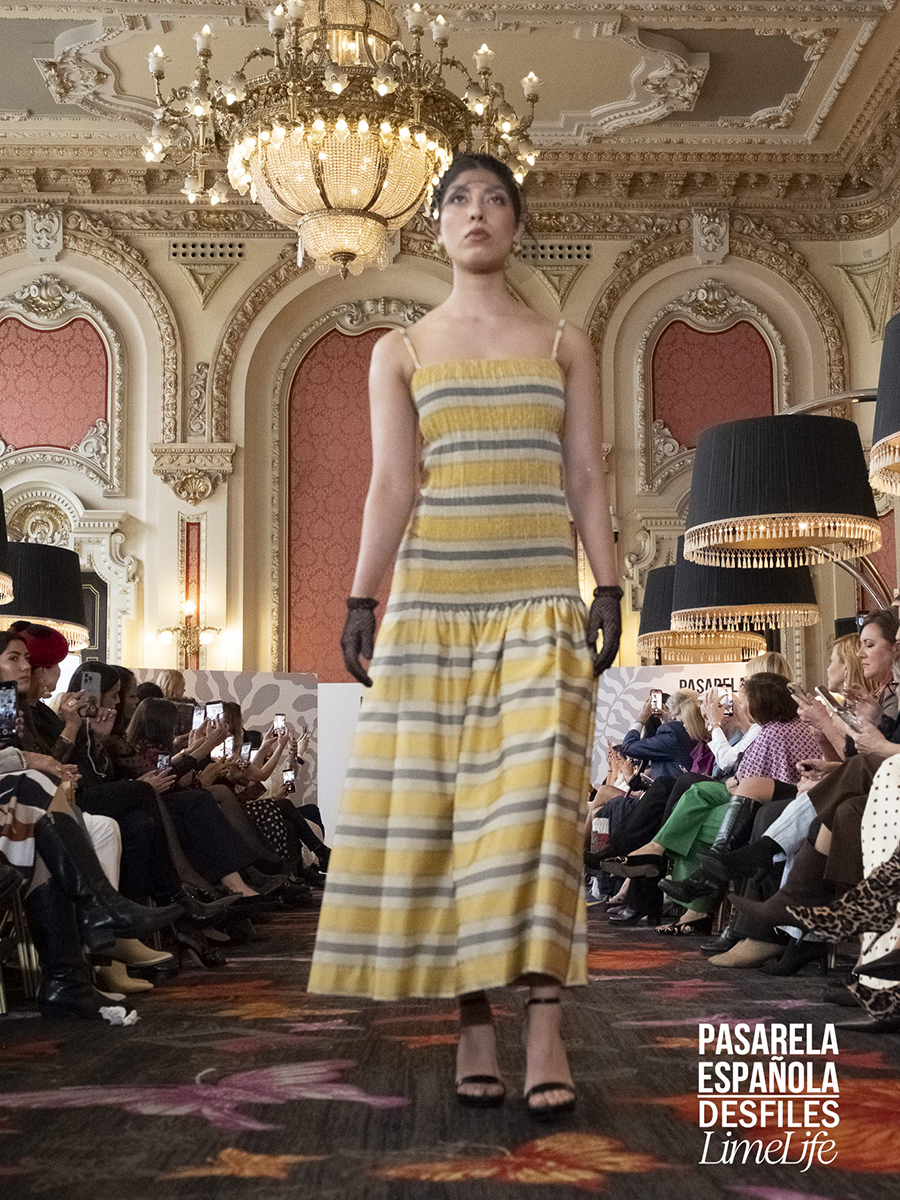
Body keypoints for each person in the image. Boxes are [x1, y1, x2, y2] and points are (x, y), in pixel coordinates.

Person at [308, 153, 621, 1119]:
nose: (475, 212)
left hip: (540, 609)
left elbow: (586, 475)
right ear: (436, 226)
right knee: (449, 824)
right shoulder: (400, 349)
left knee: (536, 823)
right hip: (433, 610)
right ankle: (474, 1018)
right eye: (457, 200)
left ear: (516, 225)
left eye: (494, 199)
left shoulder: (564, 342)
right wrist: (361, 600)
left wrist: (609, 584)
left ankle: (545, 1021)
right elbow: (391, 484)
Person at [620, 689, 699, 780]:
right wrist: (666, 722)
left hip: (671, 787)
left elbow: (628, 746)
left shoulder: (672, 733)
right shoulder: (690, 730)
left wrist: (642, 717)